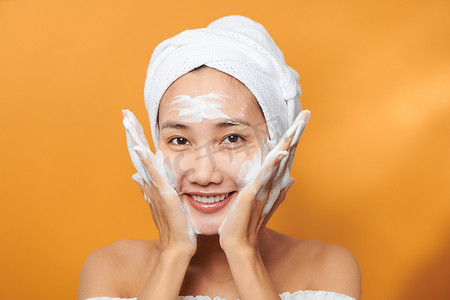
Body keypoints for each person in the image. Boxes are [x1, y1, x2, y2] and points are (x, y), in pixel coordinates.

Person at [78, 15, 361, 300]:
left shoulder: (326, 268)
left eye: (232, 138)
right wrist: (173, 252)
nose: (203, 174)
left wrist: (242, 251)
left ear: (277, 147)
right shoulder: (111, 268)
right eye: (179, 140)